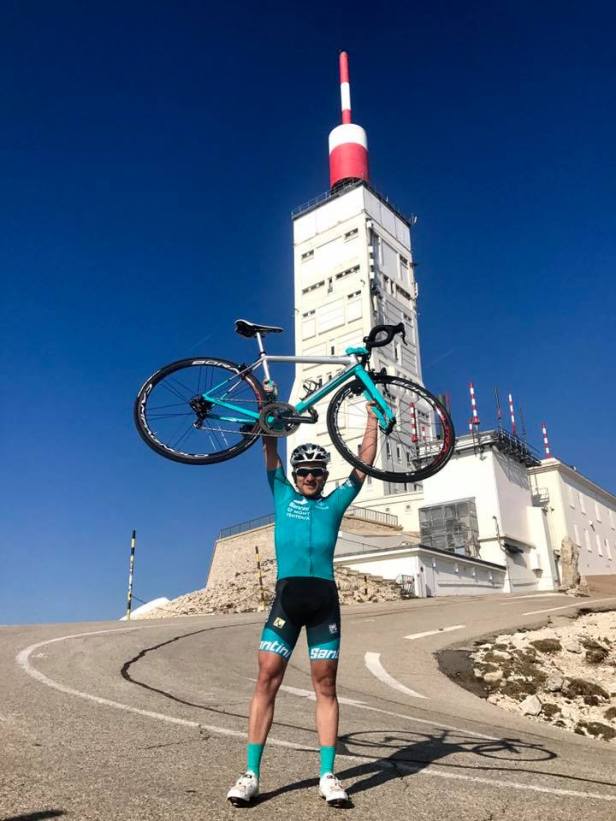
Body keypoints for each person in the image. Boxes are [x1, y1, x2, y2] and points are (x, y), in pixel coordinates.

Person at [227, 408, 378, 808]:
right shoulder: (282, 493)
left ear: (325, 476)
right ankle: (251, 774)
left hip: (324, 602)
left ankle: (328, 775)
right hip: (287, 600)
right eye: (304, 471)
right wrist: (270, 414)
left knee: (325, 686)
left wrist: (372, 419)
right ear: (294, 476)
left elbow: (364, 462)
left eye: (316, 471)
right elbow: (270, 446)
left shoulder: (335, 503)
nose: (310, 477)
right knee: (267, 679)